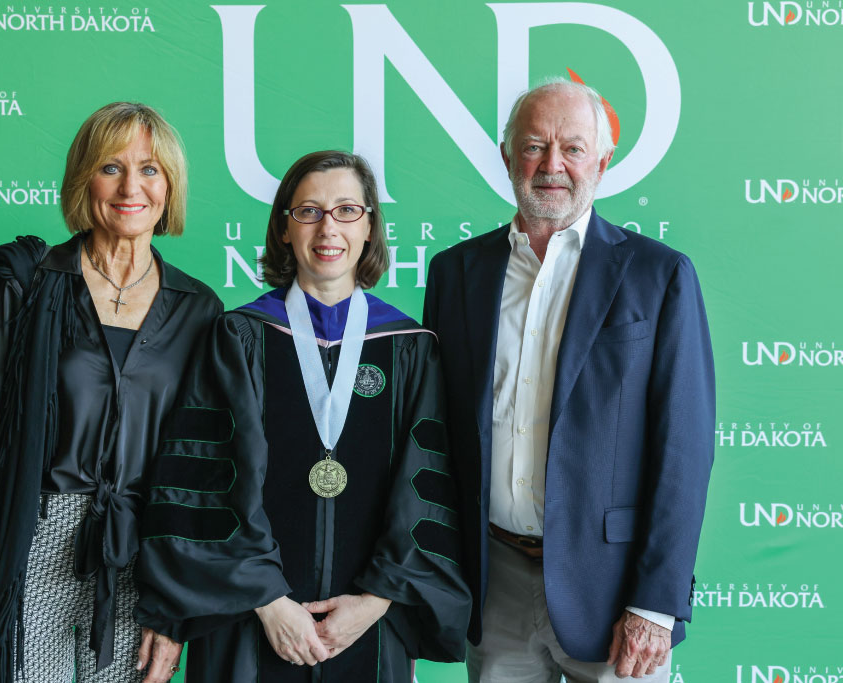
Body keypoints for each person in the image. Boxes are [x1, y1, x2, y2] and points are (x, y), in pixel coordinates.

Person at [134, 150, 471, 682]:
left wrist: (377, 599)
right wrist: (269, 600)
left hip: (368, 626)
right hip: (249, 620)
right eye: (309, 211)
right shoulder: (239, 338)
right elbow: (206, 482)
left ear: (369, 229)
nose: (327, 227)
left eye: (346, 210)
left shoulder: (411, 349)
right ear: (285, 229)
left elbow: (426, 489)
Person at [423, 80, 716, 682]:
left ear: (602, 163)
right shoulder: (455, 273)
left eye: (573, 149)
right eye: (533, 146)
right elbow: (437, 435)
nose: (552, 165)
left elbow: (683, 451)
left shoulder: (659, 277)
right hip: (493, 581)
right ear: (507, 158)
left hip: (613, 596)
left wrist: (654, 604)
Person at [0, 102, 222, 683]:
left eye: (150, 170)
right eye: (111, 167)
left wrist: (176, 605)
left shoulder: (199, 309)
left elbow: (197, 471)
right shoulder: (25, 281)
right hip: (31, 539)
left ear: (171, 185)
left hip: (139, 553)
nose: (131, 186)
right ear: (85, 177)